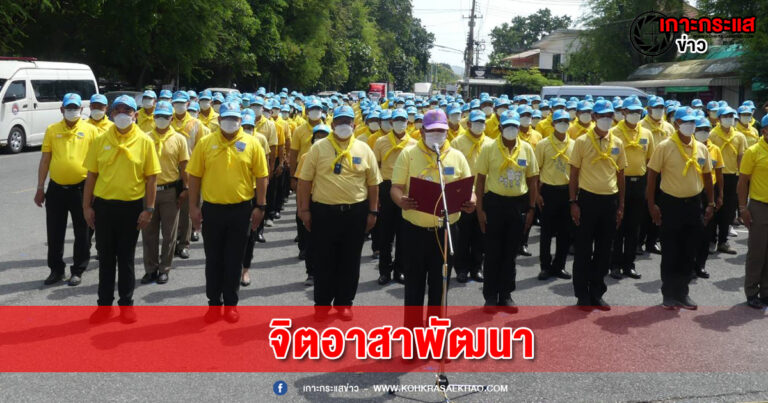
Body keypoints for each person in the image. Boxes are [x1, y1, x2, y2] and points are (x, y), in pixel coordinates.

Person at [391, 109, 474, 328]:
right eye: (433, 131)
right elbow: (396, 188)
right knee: (414, 287)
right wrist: (401, 200)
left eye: (442, 131)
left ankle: (435, 337)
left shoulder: (456, 156)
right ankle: (412, 338)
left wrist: (471, 201)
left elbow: (469, 188)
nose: (438, 135)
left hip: (446, 231)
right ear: (422, 132)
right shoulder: (408, 154)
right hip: (415, 231)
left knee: (440, 287)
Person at [297, 105, 381, 321]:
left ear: (354, 124)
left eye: (348, 122)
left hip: (355, 212)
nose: (344, 125)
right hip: (324, 212)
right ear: (333, 125)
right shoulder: (318, 148)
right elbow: (305, 181)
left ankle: (345, 303)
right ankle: (322, 305)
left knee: (350, 259)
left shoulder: (364, 149)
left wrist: (373, 211)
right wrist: (304, 210)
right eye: (340, 122)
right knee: (323, 259)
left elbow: (373, 184)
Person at [187, 102, 269, 323]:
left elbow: (262, 176)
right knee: (213, 259)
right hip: (212, 210)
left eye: (235, 118)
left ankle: (231, 304)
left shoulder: (252, 144)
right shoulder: (205, 144)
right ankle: (214, 303)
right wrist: (193, 207)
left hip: (241, 210)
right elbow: (194, 176)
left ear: (241, 121)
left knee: (234, 259)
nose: (230, 122)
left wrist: (261, 206)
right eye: (226, 118)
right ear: (219, 120)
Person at [83, 95, 161, 324]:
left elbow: (151, 179)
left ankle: (126, 304)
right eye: (118, 109)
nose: (123, 114)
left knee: (126, 258)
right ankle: (104, 306)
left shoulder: (145, 141)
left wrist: (149, 209)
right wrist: (86, 206)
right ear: (111, 113)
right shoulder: (100, 140)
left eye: (128, 110)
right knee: (106, 258)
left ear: (135, 115)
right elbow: (91, 176)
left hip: (131, 207)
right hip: (105, 207)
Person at [647, 108, 714, 310]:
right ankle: (669, 293)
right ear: (677, 124)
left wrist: (710, 203)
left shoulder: (701, 148)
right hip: (671, 203)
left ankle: (682, 292)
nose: (690, 126)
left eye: (693, 122)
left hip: (693, 204)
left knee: (689, 250)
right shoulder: (665, 146)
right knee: (670, 250)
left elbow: (708, 177)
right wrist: (652, 204)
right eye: (686, 122)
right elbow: (651, 176)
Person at [475, 111, 539, 313]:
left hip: (517, 204)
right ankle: (491, 296)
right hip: (494, 203)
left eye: (515, 126)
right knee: (493, 252)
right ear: (500, 128)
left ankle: (506, 294)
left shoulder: (527, 149)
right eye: (507, 126)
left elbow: (532, 180)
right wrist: (480, 210)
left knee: (510, 253)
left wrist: (531, 208)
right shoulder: (488, 148)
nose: (511, 130)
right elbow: (480, 181)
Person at [35, 93, 99, 286]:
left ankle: (78, 269)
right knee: (54, 231)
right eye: (68, 108)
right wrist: (40, 186)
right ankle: (56, 269)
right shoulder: (52, 130)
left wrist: (95, 191)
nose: (72, 111)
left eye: (75, 108)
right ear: (61, 110)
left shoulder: (91, 131)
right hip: (56, 189)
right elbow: (45, 159)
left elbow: (98, 163)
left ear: (81, 110)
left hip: (81, 188)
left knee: (82, 232)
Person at [568, 99, 627, 310]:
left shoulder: (618, 143)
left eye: (609, 116)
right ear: (593, 117)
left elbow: (621, 175)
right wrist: (573, 202)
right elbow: (573, 174)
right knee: (584, 250)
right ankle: (582, 294)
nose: (606, 120)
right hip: (587, 200)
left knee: (604, 250)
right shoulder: (582, 141)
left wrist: (621, 204)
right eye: (602, 116)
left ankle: (597, 292)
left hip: (609, 201)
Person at [140, 101, 189, 285]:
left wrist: (186, 188)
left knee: (169, 234)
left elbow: (184, 166)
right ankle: (150, 269)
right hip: (149, 191)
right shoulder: (144, 137)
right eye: (158, 116)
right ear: (154, 118)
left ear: (171, 119)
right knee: (148, 233)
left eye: (165, 117)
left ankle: (164, 268)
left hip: (170, 191)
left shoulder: (179, 139)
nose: (161, 120)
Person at [609, 97, 654, 280]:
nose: (635, 115)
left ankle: (629, 264)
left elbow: (650, 160)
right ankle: (615, 265)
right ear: (624, 112)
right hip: (620, 182)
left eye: (638, 112)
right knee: (618, 225)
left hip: (639, 182)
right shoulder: (614, 132)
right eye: (631, 111)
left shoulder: (646, 133)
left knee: (634, 226)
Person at [373, 109, 416, 285]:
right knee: (385, 233)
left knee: (404, 233)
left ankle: (400, 270)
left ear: (407, 122)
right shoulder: (381, 142)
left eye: (403, 120)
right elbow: (375, 167)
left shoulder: (413, 143)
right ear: (391, 122)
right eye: (397, 120)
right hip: (386, 185)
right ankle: (385, 270)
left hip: (406, 187)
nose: (400, 123)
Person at [450, 109, 492, 283]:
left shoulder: (490, 143)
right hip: (464, 193)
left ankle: (477, 267)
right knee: (462, 233)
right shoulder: (457, 142)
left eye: (482, 122)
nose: (479, 125)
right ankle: (461, 268)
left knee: (480, 231)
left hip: (485, 192)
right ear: (468, 124)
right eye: (476, 122)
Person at [534, 110, 574, 281]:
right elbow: (535, 172)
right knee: (546, 232)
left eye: (566, 121)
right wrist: (536, 194)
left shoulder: (574, 144)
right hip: (548, 191)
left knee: (565, 232)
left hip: (566, 191)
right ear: (553, 124)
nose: (563, 123)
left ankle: (560, 265)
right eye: (560, 121)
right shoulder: (543, 144)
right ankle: (545, 266)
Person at [171, 91, 210, 259]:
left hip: (189, 172)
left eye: (182, 103)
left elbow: (202, 150)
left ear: (188, 104)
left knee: (186, 210)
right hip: (170, 172)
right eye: (176, 103)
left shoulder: (196, 124)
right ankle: (171, 243)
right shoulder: (166, 120)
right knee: (171, 212)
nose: (179, 106)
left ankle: (183, 244)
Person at [737, 114, 768, 309]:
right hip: (759, 206)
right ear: (764, 130)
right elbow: (742, 182)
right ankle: (752, 292)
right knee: (757, 251)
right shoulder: (753, 151)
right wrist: (742, 208)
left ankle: (766, 291)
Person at [295, 124, 332, 286]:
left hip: (327, 200)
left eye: (324, 135)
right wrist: (301, 207)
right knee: (311, 239)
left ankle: (328, 272)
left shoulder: (334, 156)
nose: (321, 138)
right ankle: (311, 273)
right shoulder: (305, 157)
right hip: (310, 199)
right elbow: (301, 184)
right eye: (318, 136)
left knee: (328, 240)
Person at [709, 106, 747, 255]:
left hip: (732, 176)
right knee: (714, 208)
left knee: (729, 210)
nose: (729, 118)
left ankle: (723, 241)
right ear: (719, 119)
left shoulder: (739, 136)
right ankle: (712, 240)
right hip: (715, 176)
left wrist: (740, 177)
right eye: (725, 116)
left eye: (731, 116)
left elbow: (740, 157)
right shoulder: (712, 134)